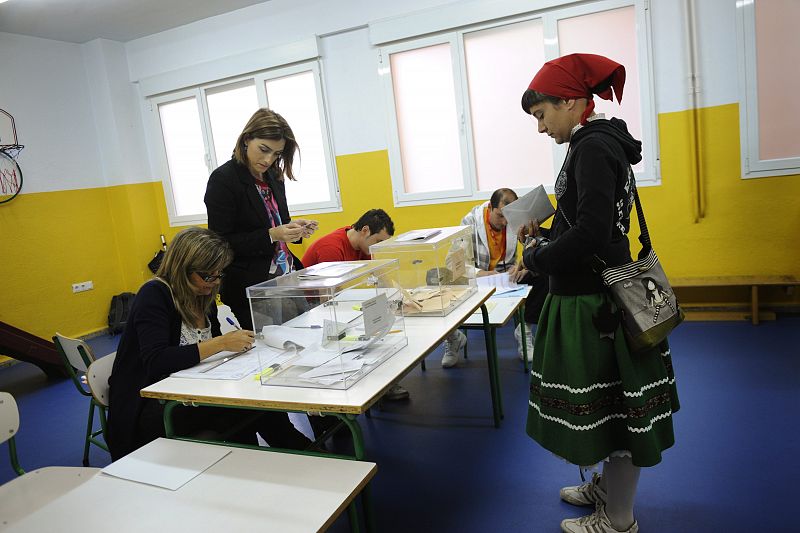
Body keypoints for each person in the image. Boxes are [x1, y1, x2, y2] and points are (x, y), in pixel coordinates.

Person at [517, 54, 679, 533]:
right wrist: (547, 232)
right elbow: (594, 222)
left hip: (596, 304)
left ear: (570, 102)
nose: (541, 128)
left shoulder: (591, 147)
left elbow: (590, 234)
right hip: (598, 293)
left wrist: (537, 257)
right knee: (614, 409)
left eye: (542, 115)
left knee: (618, 412)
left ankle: (619, 518)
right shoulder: (602, 141)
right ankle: (608, 491)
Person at [107, 227, 312, 460]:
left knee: (256, 407)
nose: (214, 282)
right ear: (181, 267)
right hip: (151, 405)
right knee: (247, 412)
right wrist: (221, 343)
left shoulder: (204, 296)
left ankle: (296, 455)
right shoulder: (154, 295)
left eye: (219, 274)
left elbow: (207, 353)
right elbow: (157, 361)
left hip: (193, 392)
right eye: (207, 275)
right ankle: (293, 456)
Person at [204, 108, 318, 331]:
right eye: (264, 150)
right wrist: (271, 235)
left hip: (287, 277)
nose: (268, 159)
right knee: (276, 350)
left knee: (305, 337)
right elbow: (220, 243)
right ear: (247, 139)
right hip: (252, 285)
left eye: (276, 154)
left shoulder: (274, 176)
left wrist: (294, 228)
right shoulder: (223, 180)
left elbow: (278, 223)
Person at [301, 209, 409, 401]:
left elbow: (380, 274)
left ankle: (382, 383)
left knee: (381, 327)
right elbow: (326, 299)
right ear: (365, 230)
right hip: (312, 308)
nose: (378, 248)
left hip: (339, 301)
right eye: (378, 242)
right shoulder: (331, 248)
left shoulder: (362, 246)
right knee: (364, 333)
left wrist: (398, 296)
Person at [458, 187, 549, 364]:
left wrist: (522, 266)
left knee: (542, 272)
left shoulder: (514, 219)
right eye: (500, 215)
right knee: (444, 279)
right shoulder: (469, 223)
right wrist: (482, 273)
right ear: (490, 208)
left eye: (508, 216)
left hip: (507, 277)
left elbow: (530, 247)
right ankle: (454, 339)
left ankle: (524, 329)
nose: (505, 221)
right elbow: (458, 266)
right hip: (479, 279)